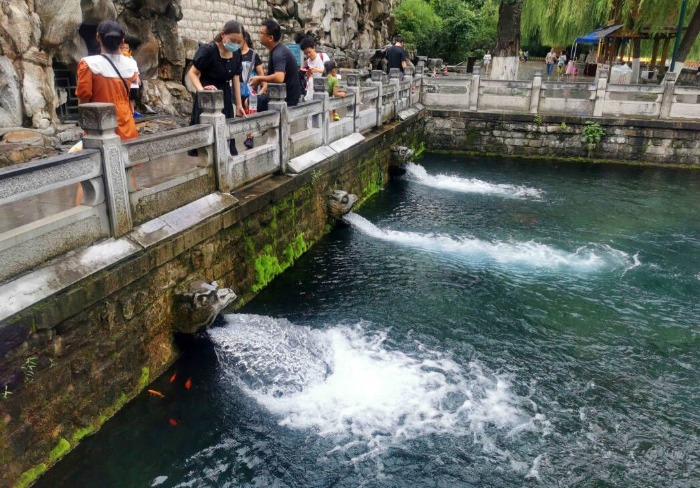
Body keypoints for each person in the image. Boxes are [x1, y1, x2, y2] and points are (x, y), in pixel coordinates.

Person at [187, 19, 246, 156]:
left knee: (225, 139)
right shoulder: (208, 51)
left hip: (224, 96)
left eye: (239, 42)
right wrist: (202, 90)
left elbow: (236, 78)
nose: (236, 44)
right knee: (207, 143)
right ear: (223, 34)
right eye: (233, 40)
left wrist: (238, 105)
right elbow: (193, 73)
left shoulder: (236, 54)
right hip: (208, 97)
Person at [76, 20, 139, 141]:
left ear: (98, 37)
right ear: (122, 40)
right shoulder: (131, 64)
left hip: (100, 125)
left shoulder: (89, 64)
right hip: (126, 123)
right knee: (127, 157)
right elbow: (132, 93)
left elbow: (84, 99)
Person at [249, 19, 303, 110]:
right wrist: (262, 91)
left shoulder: (279, 53)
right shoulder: (278, 50)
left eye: (261, 33)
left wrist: (259, 78)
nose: (259, 35)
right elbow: (274, 78)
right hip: (280, 95)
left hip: (285, 98)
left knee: (249, 102)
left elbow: (279, 77)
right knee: (254, 99)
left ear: (270, 38)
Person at [299, 36, 330, 101]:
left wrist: (317, 70)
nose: (308, 55)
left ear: (314, 48)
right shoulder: (306, 63)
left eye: (309, 52)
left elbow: (329, 71)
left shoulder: (323, 56)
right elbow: (306, 80)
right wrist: (308, 75)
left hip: (325, 88)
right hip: (312, 91)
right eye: (305, 53)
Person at [120, 37, 142, 119]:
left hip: (133, 82)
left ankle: (132, 111)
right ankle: (128, 112)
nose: (124, 49)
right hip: (125, 82)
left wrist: (138, 77)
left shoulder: (131, 59)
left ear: (129, 49)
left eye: (126, 48)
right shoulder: (119, 58)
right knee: (126, 98)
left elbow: (135, 69)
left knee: (132, 98)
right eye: (122, 48)